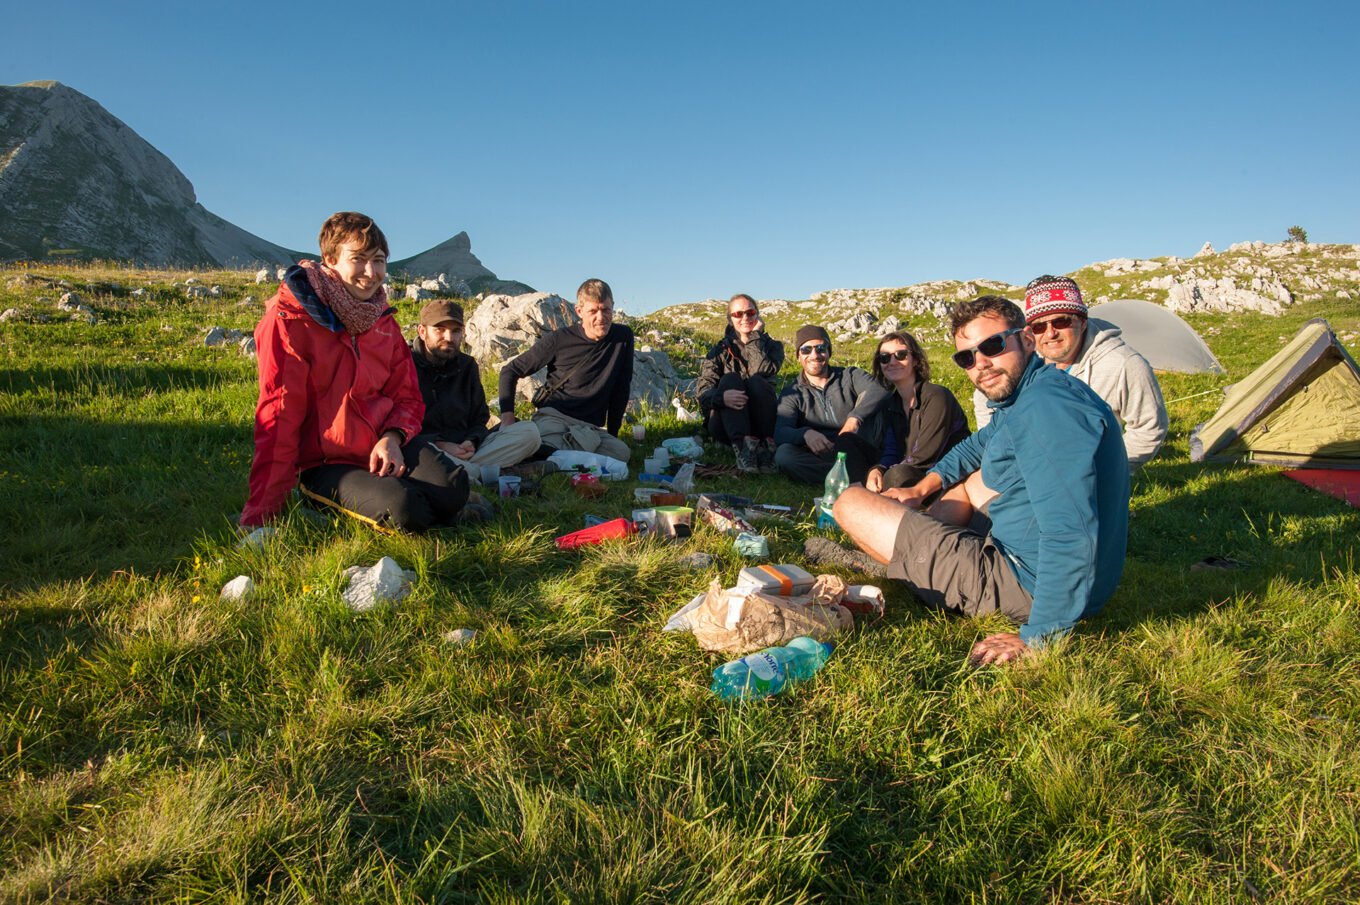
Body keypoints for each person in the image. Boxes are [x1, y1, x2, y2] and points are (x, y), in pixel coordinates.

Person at [810, 296, 1130, 666]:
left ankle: (900, 564)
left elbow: (1070, 530)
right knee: (970, 483)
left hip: (1028, 586)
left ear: (1027, 339)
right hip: (1032, 556)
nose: (981, 364)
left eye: (992, 346)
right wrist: (922, 488)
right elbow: (978, 445)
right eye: (967, 357)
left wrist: (1041, 634)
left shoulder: (1046, 409)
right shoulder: (1036, 392)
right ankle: (915, 551)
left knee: (849, 501)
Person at [240, 212, 471, 533]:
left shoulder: (383, 322)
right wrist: (261, 515)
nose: (371, 272)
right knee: (404, 508)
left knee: (455, 486)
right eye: (358, 259)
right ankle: (318, 501)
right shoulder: (290, 320)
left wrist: (392, 437)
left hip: (384, 446)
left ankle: (435, 507)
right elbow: (279, 418)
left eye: (378, 260)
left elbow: (407, 397)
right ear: (330, 260)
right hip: (326, 462)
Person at [973, 275, 1167, 472]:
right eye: (1039, 326)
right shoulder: (1024, 358)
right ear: (1029, 333)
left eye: (1061, 322)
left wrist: (1109, 471)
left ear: (1082, 323)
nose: (1050, 334)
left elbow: (1148, 427)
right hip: (1028, 468)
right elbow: (985, 395)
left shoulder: (1123, 364)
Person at [498, 279, 633, 462]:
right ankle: (561, 456)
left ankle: (556, 457)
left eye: (606, 310)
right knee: (562, 447)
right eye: (593, 311)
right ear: (579, 311)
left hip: (589, 427)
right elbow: (510, 371)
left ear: (613, 307)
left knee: (621, 453)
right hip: (555, 419)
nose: (601, 317)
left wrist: (613, 434)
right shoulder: (558, 340)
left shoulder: (623, 337)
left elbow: (621, 388)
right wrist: (507, 417)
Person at [410, 299, 544, 484]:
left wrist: (472, 441)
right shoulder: (404, 364)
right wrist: (440, 444)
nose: (449, 337)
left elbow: (480, 418)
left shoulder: (467, 366)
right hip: (428, 449)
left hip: (466, 451)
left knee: (529, 433)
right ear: (422, 332)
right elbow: (400, 425)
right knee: (412, 451)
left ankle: (464, 473)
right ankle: (486, 474)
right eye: (439, 329)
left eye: (456, 331)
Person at [773, 325, 888, 484]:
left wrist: (855, 418)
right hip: (825, 454)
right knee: (784, 456)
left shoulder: (850, 375)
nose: (814, 355)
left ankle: (857, 471)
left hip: (859, 446)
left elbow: (878, 390)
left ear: (828, 352)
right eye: (806, 350)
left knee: (876, 410)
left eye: (820, 348)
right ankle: (850, 475)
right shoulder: (792, 392)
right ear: (798, 356)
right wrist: (805, 434)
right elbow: (780, 432)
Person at [864, 330, 970, 494]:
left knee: (897, 475)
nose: (892, 362)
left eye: (900, 355)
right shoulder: (891, 404)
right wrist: (878, 468)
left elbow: (925, 457)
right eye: (884, 358)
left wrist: (888, 473)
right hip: (911, 471)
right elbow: (892, 449)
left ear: (915, 360)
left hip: (945, 476)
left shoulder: (937, 396)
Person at [695, 293, 784, 473]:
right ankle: (743, 449)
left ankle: (766, 448)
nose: (745, 318)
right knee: (730, 379)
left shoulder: (773, 347)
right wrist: (722, 397)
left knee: (757, 382)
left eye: (750, 312)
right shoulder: (719, 351)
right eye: (738, 314)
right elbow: (703, 392)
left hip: (761, 420)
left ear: (757, 315)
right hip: (727, 423)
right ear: (730, 319)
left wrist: (755, 337)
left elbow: (761, 370)